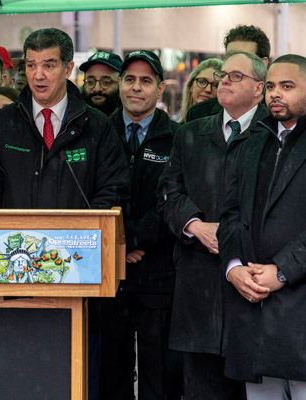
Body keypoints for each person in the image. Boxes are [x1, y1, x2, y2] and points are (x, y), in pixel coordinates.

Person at [158, 51, 268, 400]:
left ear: (259, 89)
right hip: (199, 288)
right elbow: (167, 191)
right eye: (223, 73)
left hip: (253, 288)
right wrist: (195, 225)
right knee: (202, 389)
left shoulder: (273, 134)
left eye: (236, 76)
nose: (224, 80)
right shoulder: (191, 133)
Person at [217, 54, 306, 400]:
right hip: (253, 305)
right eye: (270, 87)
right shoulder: (254, 142)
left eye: (287, 86)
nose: (275, 95)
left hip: (299, 306)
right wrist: (233, 267)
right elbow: (230, 214)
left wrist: (282, 271)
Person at [98, 50, 182, 400]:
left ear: (160, 88)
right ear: (120, 84)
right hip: (108, 274)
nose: (136, 87)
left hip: (157, 273)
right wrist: (117, 246)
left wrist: (131, 240)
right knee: (110, 373)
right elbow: (91, 193)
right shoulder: (97, 131)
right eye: (130, 79)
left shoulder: (179, 137)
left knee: (158, 376)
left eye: (146, 81)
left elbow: (173, 201)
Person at [0, 27, 128, 210]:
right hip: (16, 237)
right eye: (31, 65)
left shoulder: (98, 126)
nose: (38, 76)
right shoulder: (0, 124)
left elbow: (113, 190)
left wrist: (82, 232)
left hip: (77, 237)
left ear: (68, 69)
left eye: (48, 66)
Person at [186, 24, 270, 122]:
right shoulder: (200, 113)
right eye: (230, 56)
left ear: (263, 64)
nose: (234, 62)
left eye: (243, 57)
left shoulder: (277, 116)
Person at [177, 58, 223, 123]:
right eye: (202, 81)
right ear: (190, 86)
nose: (208, 89)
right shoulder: (176, 130)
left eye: (216, 85)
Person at [79, 51, 122, 117]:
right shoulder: (69, 122)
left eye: (106, 82)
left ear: (121, 84)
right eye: (90, 82)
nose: (97, 89)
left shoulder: (131, 124)